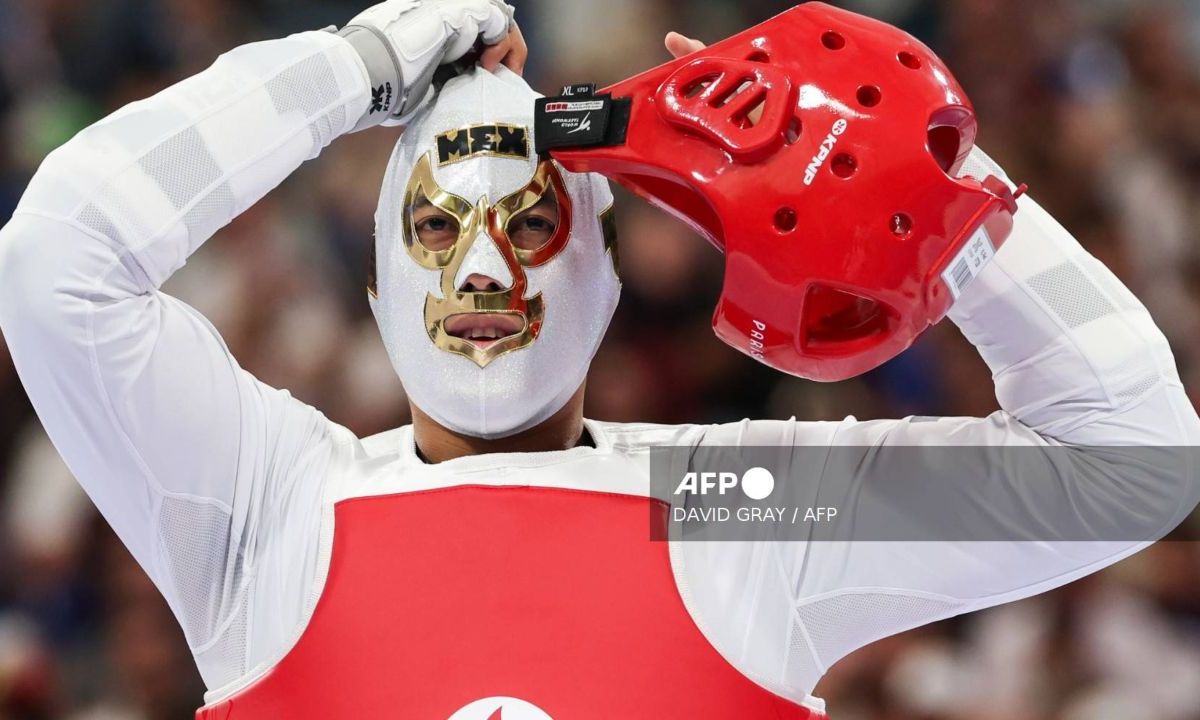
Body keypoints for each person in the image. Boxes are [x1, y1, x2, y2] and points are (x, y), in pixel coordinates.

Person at [0, 1, 1196, 718]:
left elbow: (1133, 458)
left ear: (610, 280)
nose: (480, 276)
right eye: (433, 229)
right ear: (374, 287)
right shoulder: (268, 503)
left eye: (530, 226)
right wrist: (357, 64)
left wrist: (899, 161)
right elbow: (53, 260)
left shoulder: (725, 512)